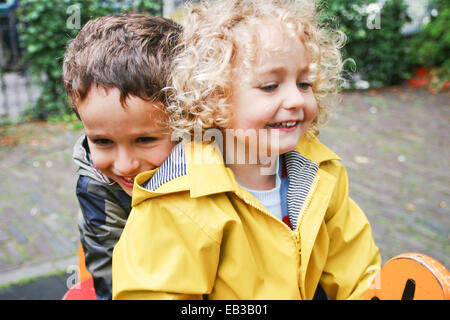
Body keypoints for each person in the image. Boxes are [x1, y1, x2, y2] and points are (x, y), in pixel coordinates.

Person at [113, 0, 381, 300]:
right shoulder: (179, 203)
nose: (295, 99)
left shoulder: (321, 174)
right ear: (214, 96)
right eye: (270, 86)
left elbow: (361, 274)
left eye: (305, 83)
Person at [63, 14, 182, 299]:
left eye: (145, 139)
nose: (125, 165)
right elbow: (111, 278)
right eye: (103, 141)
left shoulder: (217, 160)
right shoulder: (97, 187)